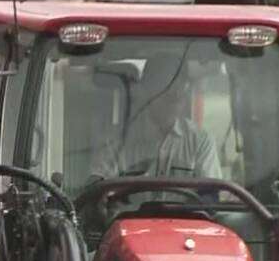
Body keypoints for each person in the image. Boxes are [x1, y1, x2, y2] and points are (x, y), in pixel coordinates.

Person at [92, 59, 221, 181]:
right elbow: (99, 188)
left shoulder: (200, 141)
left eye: (180, 88)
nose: (175, 96)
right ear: (146, 91)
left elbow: (210, 196)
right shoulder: (116, 139)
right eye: (167, 87)